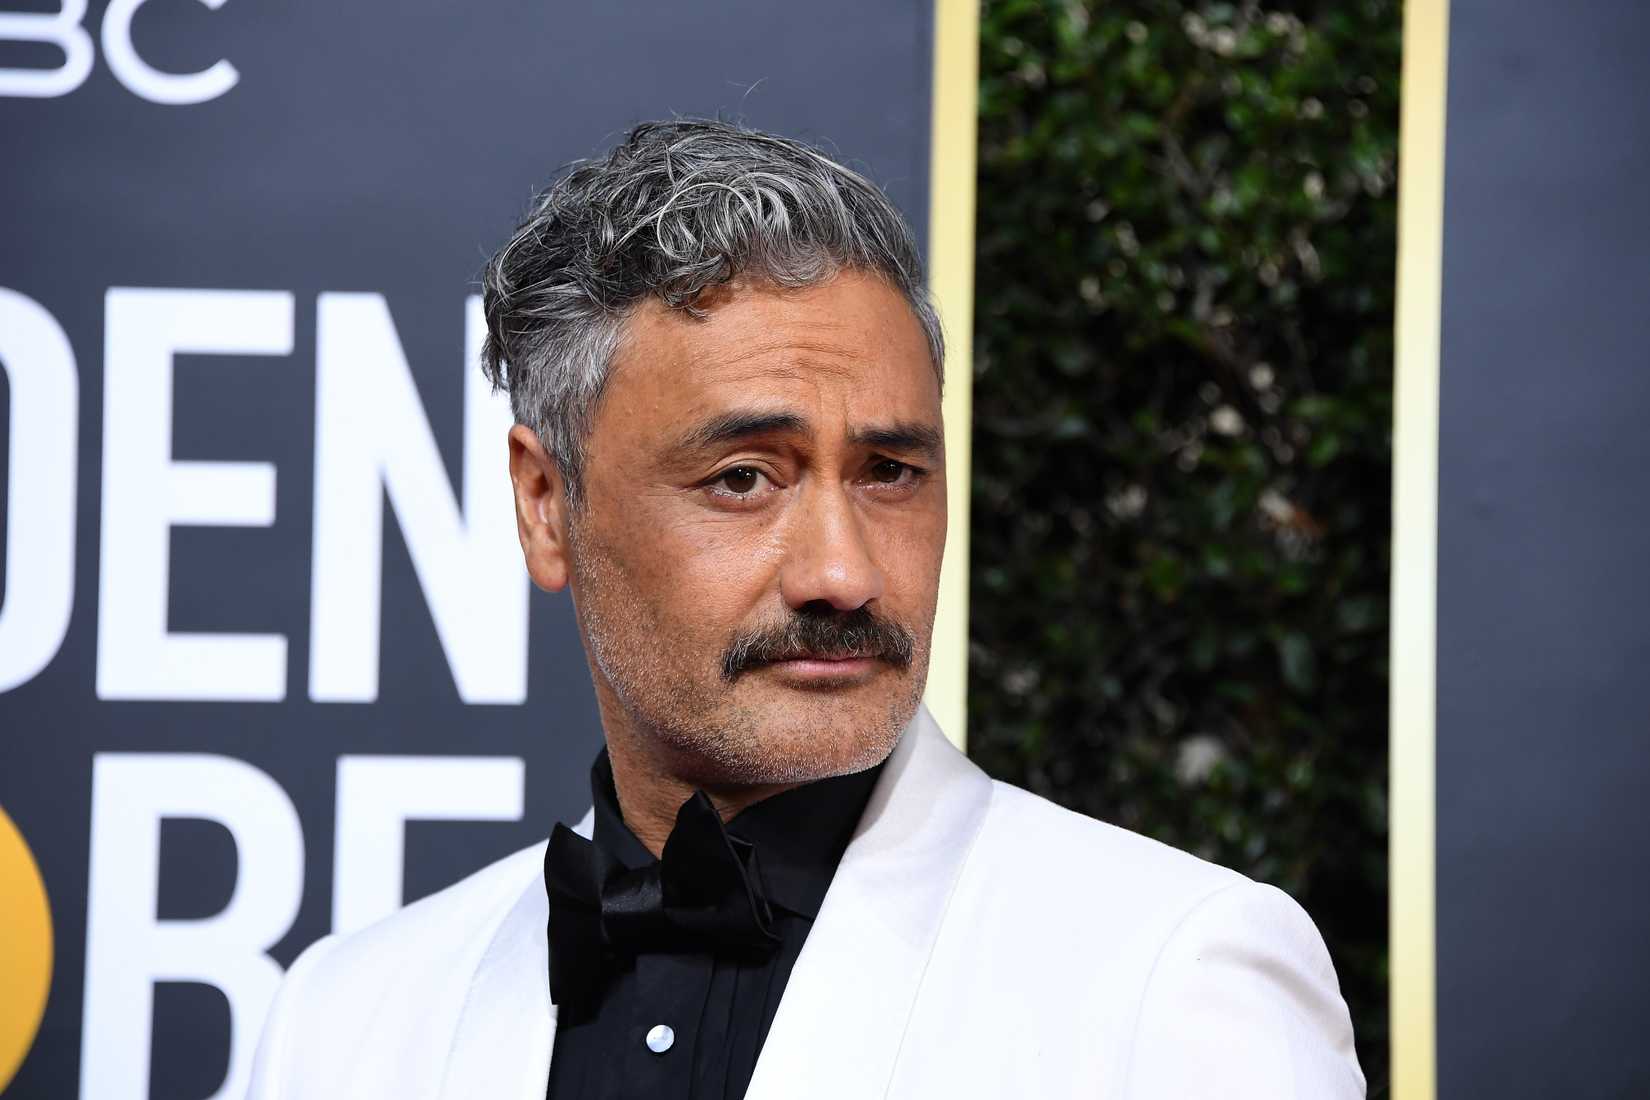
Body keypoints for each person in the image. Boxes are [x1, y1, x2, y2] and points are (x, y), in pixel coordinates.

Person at [248, 120, 1364, 1099]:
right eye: (744, 477)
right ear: (547, 506)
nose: (844, 572)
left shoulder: (1176, 976)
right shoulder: (343, 1019)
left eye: (890, 472)